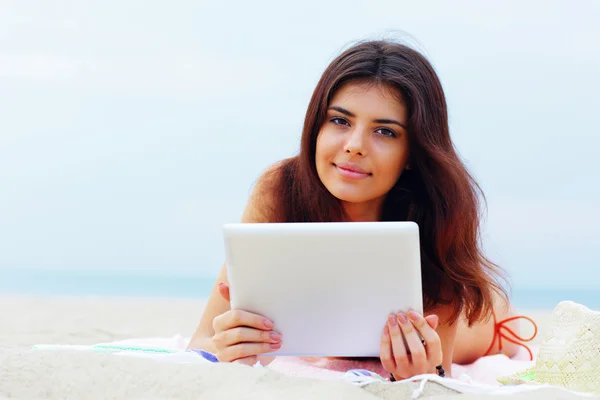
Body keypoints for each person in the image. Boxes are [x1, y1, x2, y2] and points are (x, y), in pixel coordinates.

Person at [187, 39, 536, 380]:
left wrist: (425, 374)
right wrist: (229, 347)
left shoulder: (438, 210)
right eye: (340, 120)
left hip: (481, 325)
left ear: (414, 151)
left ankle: (502, 319)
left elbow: (439, 369)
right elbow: (202, 341)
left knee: (488, 327)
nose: (354, 146)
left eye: (385, 131)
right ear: (316, 126)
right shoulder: (280, 189)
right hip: (328, 332)